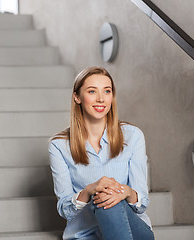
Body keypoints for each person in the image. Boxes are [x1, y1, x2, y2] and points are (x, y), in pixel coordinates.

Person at [48, 67, 155, 240]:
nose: (101, 99)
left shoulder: (133, 136)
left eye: (107, 91)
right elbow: (65, 209)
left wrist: (125, 192)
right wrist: (90, 190)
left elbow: (142, 204)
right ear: (77, 97)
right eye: (92, 91)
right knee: (102, 195)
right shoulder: (59, 146)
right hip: (85, 234)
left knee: (108, 197)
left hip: (134, 232)